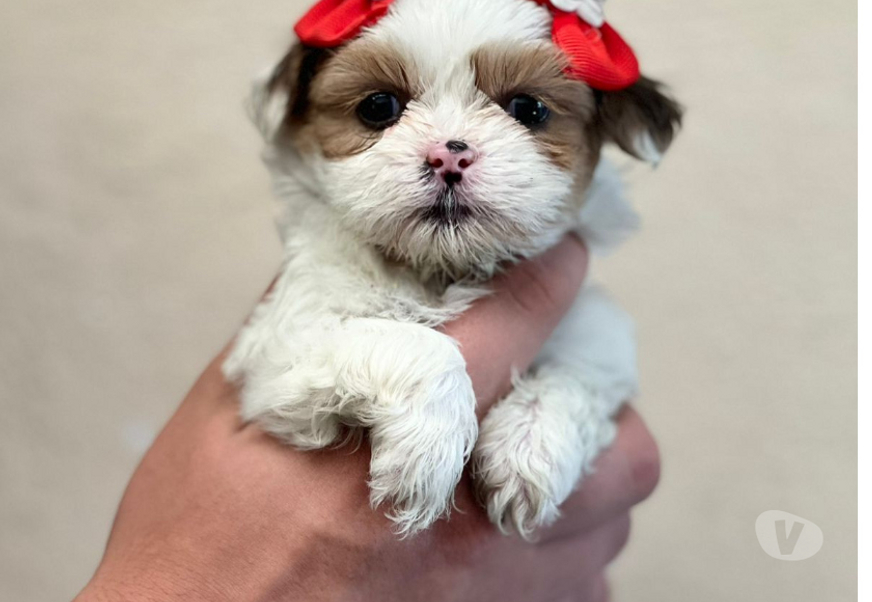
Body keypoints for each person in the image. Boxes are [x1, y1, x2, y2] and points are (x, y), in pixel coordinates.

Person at [74, 237, 660, 602]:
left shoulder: (580, 312)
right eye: (382, 108)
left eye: (526, 111)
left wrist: (557, 411)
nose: (448, 150)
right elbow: (286, 371)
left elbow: (600, 379)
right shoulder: (330, 272)